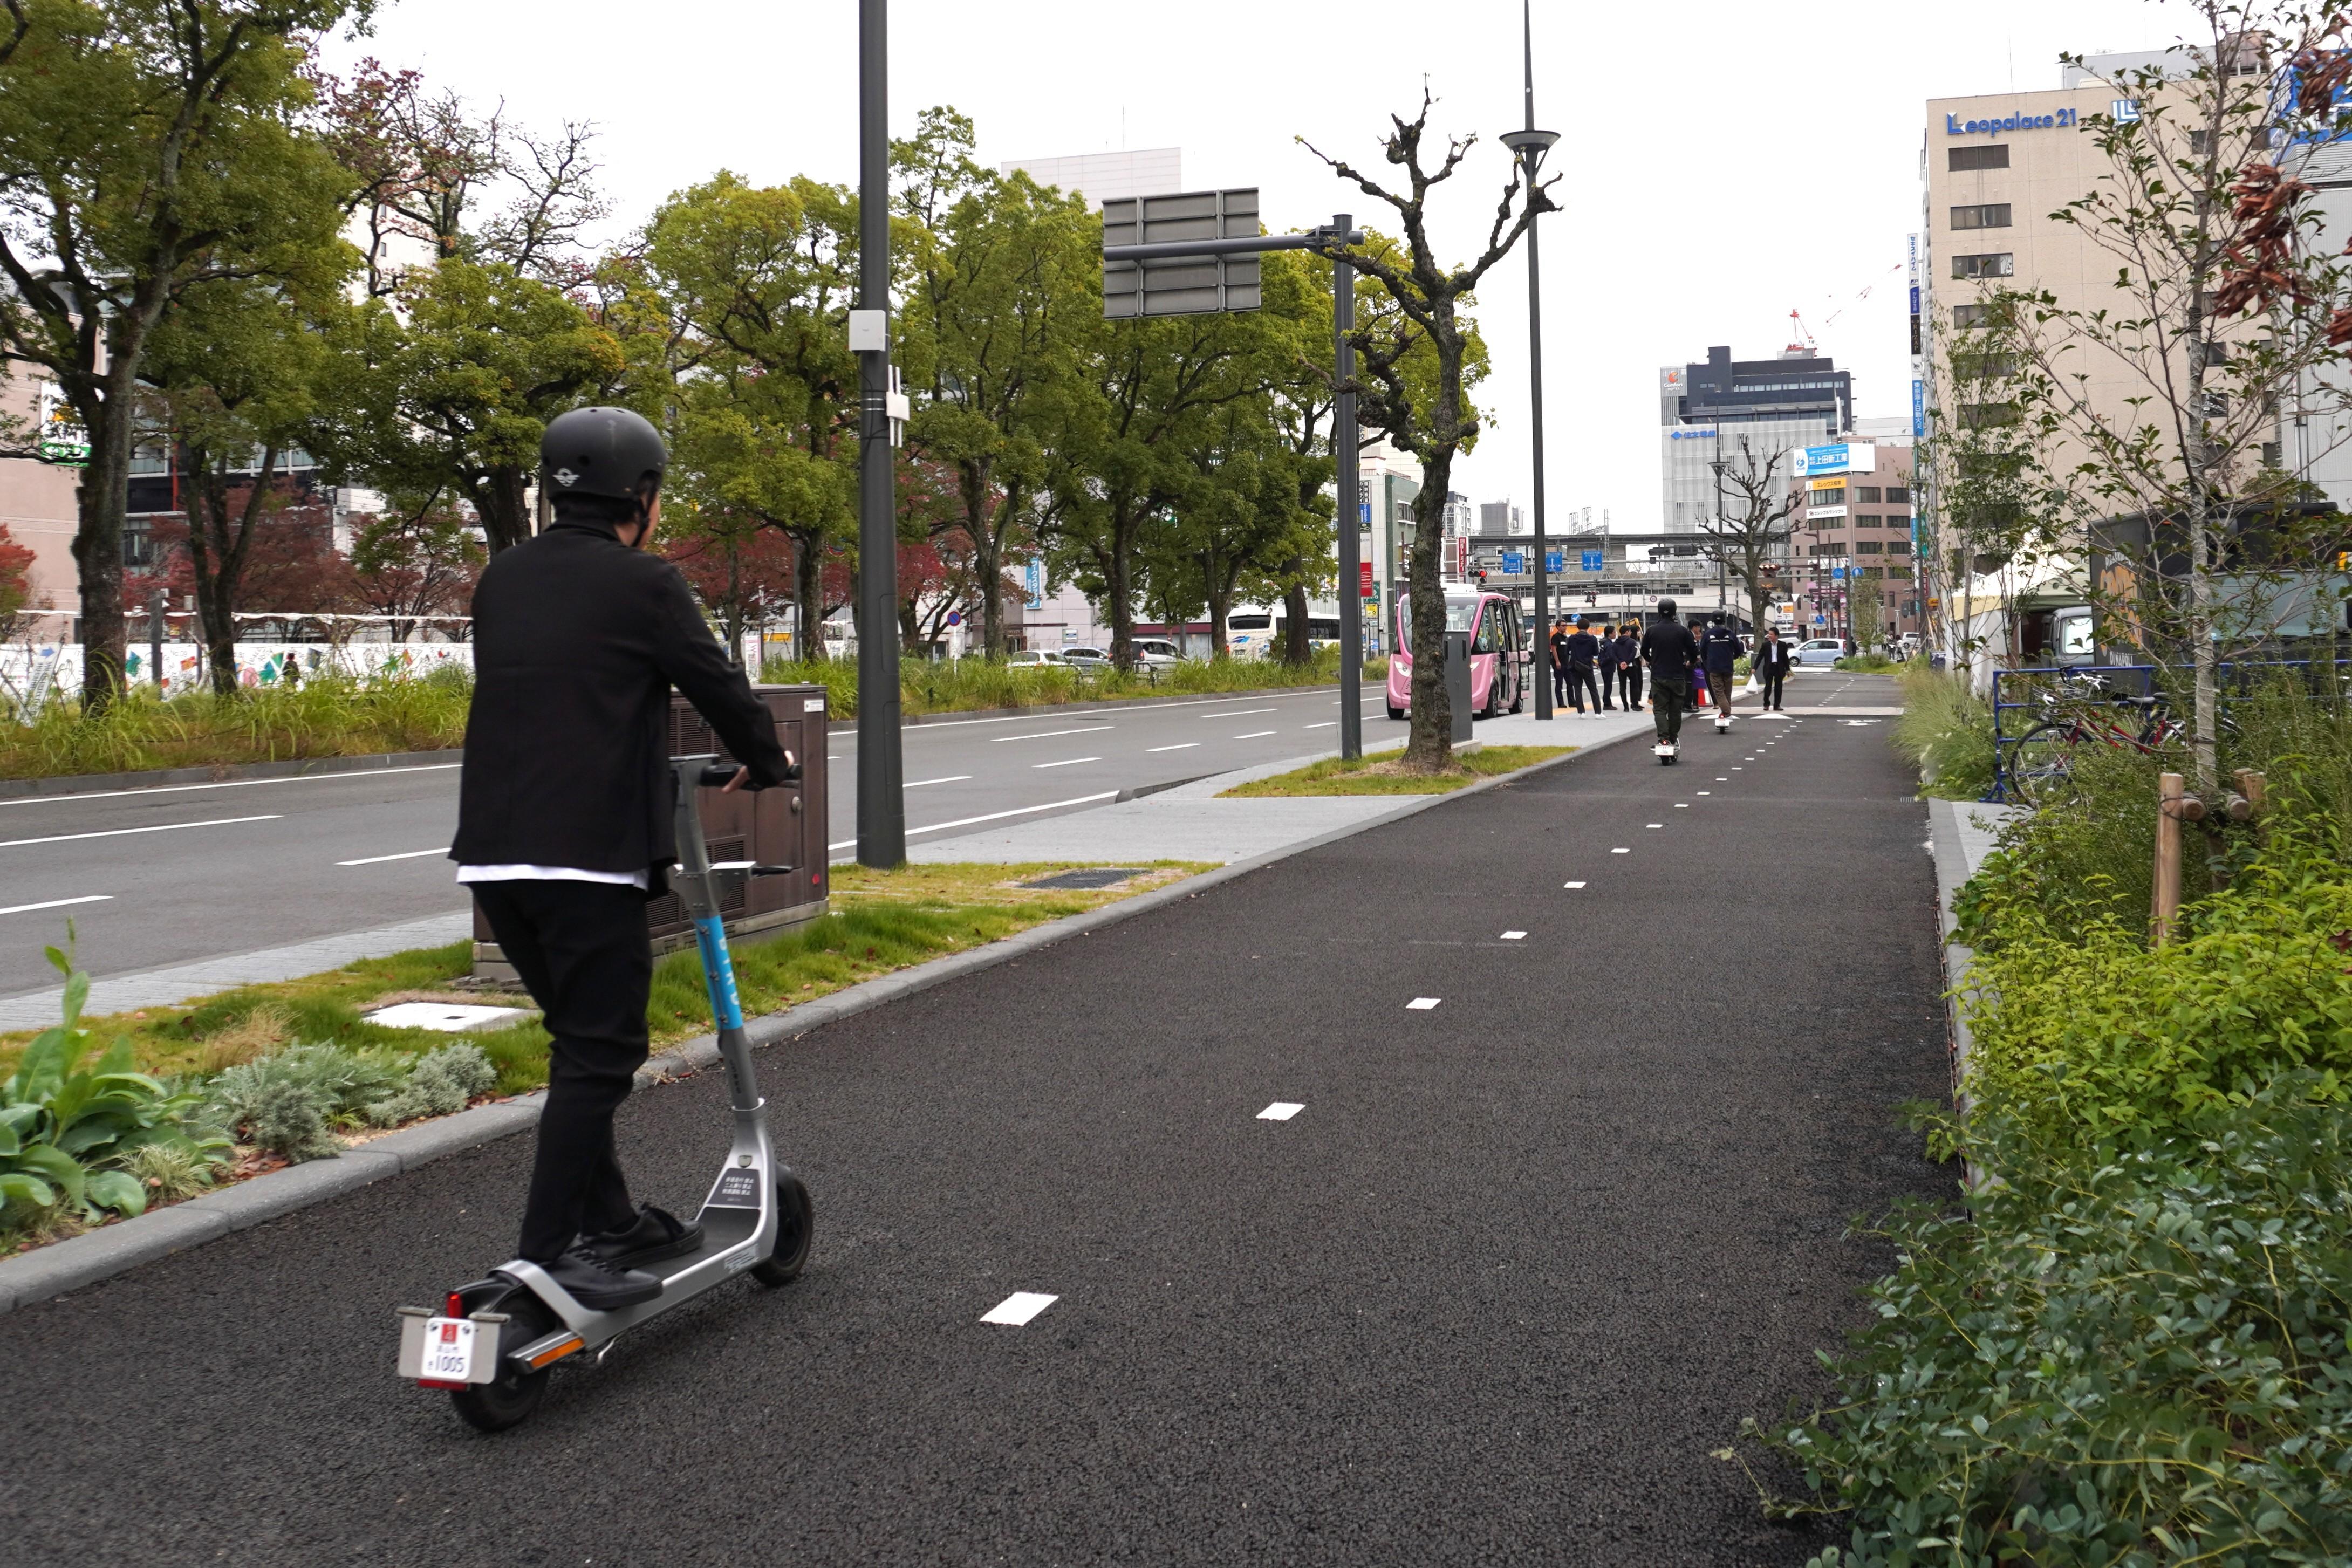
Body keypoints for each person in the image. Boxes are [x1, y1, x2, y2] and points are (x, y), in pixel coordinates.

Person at [452, 406, 795, 1311]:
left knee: (578, 1045)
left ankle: (612, 1221)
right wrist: (766, 761)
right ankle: (546, 1256)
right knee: (604, 1055)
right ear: (641, 495)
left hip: (493, 856)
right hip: (587, 856)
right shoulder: (643, 582)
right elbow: (714, 679)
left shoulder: (501, 579)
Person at [1639, 598, 1699, 748]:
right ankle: (1673, 738)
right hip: (1678, 675)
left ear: (1659, 612)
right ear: (1674, 612)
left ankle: (1663, 739)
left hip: (1659, 675)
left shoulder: (1652, 631)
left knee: (1660, 709)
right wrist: (1690, 662)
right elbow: (1694, 651)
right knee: (1675, 709)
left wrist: (1652, 661)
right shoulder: (1682, 631)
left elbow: (1644, 651)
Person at [1700, 614, 1742, 725]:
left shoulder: (1708, 634)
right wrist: (1734, 656)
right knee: (1727, 691)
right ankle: (1727, 713)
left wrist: (1707, 661)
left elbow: (1703, 650)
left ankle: (1727, 712)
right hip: (1728, 666)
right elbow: (1738, 649)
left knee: (1719, 691)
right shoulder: (1730, 634)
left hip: (1714, 667)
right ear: (1724, 620)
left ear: (1713, 621)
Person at [1562, 617, 1602, 715]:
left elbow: (1567, 652)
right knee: (1593, 690)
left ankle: (1581, 712)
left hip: (1575, 666)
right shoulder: (1592, 639)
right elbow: (1596, 652)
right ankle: (1598, 713)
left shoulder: (1572, 638)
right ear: (1588, 627)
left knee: (1578, 690)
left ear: (1577, 627)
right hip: (1587, 667)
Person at [1753, 625, 1792, 711]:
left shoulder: (1783, 645)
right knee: (1768, 687)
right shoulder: (1765, 645)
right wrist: (1754, 668)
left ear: (1776, 636)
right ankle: (1766, 704)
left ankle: (1777, 705)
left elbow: (1785, 658)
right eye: (1769, 634)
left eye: (1771, 634)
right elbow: (1760, 657)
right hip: (1769, 667)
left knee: (1779, 687)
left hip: (1779, 668)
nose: (1769, 636)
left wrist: (1788, 670)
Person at [1614, 622, 1643, 710]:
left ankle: (1625, 706)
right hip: (1631, 665)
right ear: (1627, 632)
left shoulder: (1616, 643)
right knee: (1635, 684)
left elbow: (1613, 655)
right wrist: (1627, 662)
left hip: (1620, 667)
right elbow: (1634, 654)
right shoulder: (1632, 642)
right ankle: (1634, 704)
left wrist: (1620, 663)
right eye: (1630, 632)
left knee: (1622, 687)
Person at [1592, 620, 1620, 710]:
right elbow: (1610, 656)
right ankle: (1607, 703)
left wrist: (1600, 663)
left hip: (1604, 667)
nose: (1615, 634)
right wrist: (1602, 663)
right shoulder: (1609, 644)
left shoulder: (1602, 642)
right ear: (1610, 634)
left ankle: (1607, 702)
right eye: (1614, 633)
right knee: (1608, 685)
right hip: (1608, 667)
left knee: (1607, 684)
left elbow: (1601, 654)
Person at [1548, 618, 1572, 709]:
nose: (1565, 627)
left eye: (1566, 626)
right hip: (1559, 664)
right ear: (1558, 627)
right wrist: (1557, 662)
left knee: (1570, 683)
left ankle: (1572, 702)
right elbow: (1554, 649)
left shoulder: (1566, 638)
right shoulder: (1556, 637)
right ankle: (1561, 703)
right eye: (1563, 626)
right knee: (1559, 684)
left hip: (1567, 663)